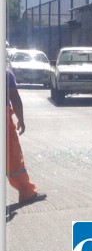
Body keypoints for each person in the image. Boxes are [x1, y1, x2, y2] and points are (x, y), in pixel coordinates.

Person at [6, 69, 46, 204]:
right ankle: (26, 192)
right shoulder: (5, 73)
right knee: (13, 159)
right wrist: (21, 119)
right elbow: (14, 97)